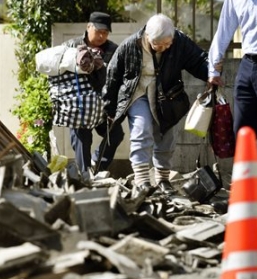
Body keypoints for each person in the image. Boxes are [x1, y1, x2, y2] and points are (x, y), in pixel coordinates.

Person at [103, 13, 208, 198]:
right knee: (141, 130)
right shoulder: (130, 45)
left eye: (168, 44)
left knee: (166, 135)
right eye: (159, 44)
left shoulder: (179, 41)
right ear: (147, 36)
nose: (165, 47)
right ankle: (142, 180)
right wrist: (109, 108)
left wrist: (212, 74)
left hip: (166, 95)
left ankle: (162, 179)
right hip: (138, 93)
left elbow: (198, 60)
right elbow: (112, 76)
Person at [208, 0, 257, 221]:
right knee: (242, 132)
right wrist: (213, 67)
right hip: (247, 65)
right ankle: (244, 195)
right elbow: (225, 28)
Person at [61, 12, 124, 174]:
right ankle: (85, 175)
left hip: (102, 106)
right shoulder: (71, 46)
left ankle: (97, 165)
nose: (102, 36)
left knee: (115, 134)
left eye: (105, 32)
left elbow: (119, 80)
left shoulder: (114, 50)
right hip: (79, 106)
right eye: (98, 31)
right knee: (82, 138)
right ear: (88, 27)